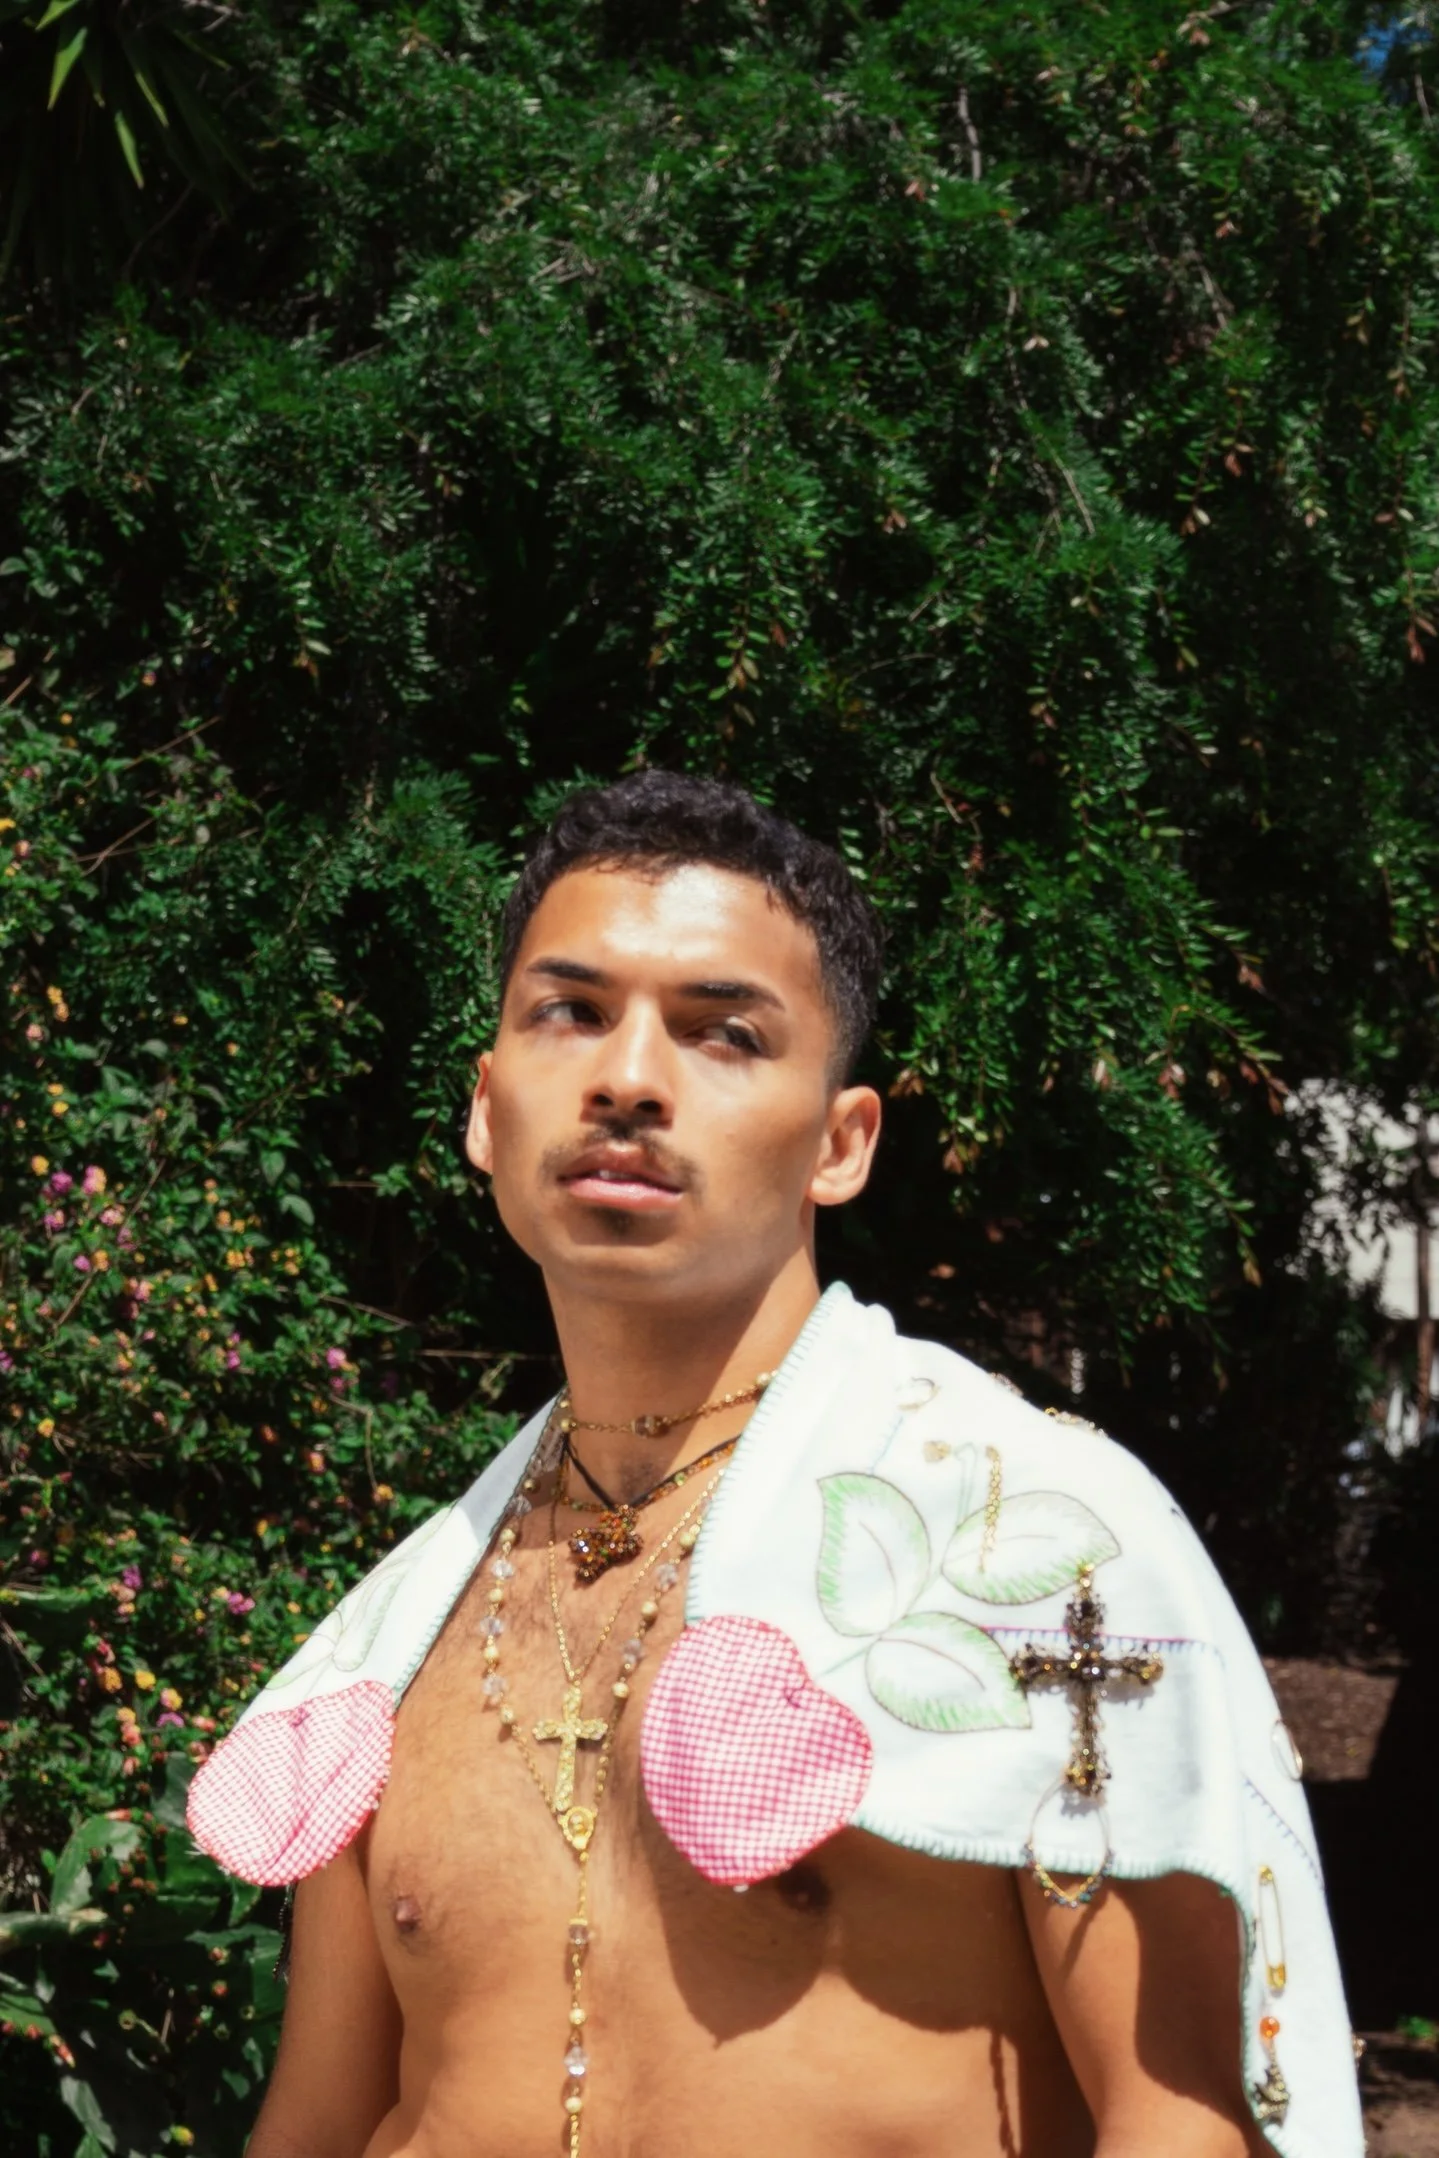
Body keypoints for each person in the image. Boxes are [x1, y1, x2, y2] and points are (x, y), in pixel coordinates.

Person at [189, 771, 1361, 2158]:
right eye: (570, 1011)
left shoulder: (1032, 1543)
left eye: (721, 1032)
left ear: (840, 1141)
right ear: (486, 1109)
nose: (628, 1077)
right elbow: (320, 2125)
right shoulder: (394, 1638)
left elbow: (1180, 2125)